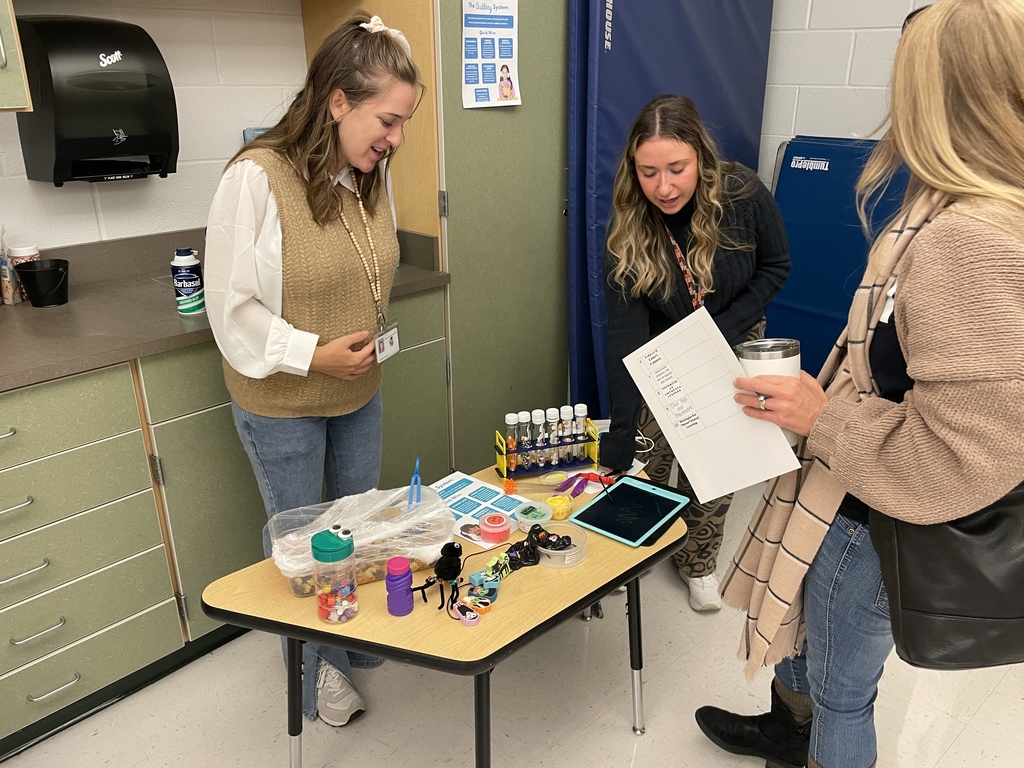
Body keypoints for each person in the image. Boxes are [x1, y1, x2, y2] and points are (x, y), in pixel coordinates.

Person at [694, 1, 1024, 766]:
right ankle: (786, 729)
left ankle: (816, 739)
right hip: (852, 489)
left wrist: (824, 418)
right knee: (803, 640)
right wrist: (832, 392)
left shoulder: (966, 239)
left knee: (845, 687)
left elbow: (960, 456)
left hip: (880, 517)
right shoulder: (966, 210)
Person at [204, 12, 421, 727]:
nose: (395, 139)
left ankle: (347, 637)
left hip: (358, 392)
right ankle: (315, 675)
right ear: (338, 101)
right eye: (387, 120)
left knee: (355, 527)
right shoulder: (256, 180)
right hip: (283, 401)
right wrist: (312, 353)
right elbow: (232, 311)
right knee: (302, 545)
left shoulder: (368, 174)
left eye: (401, 124)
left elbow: (368, 263)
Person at [599, 94, 790, 611]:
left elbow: (776, 266)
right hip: (665, 347)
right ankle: (633, 545)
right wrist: (621, 432)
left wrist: (722, 326)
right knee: (646, 458)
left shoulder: (744, 194)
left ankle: (699, 562)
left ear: (701, 157)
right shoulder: (628, 228)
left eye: (677, 169)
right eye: (649, 172)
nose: (664, 187)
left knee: (718, 463)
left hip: (737, 333)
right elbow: (625, 339)